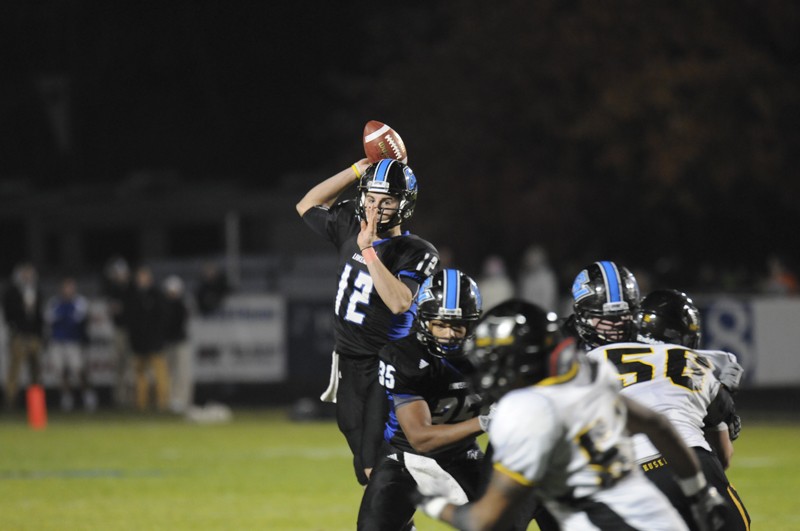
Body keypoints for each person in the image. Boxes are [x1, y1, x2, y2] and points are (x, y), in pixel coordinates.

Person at [417, 300, 728, 531]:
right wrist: (698, 493)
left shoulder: (521, 412)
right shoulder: (589, 376)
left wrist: (428, 502)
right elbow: (657, 425)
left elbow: (485, 520)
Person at [296, 157, 440, 485]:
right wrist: (356, 170)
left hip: (386, 364)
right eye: (371, 198)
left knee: (378, 465)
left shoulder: (415, 250)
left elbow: (400, 301)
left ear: (405, 204)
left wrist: (370, 251)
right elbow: (308, 204)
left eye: (386, 200)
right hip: (348, 359)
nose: (375, 209)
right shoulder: (350, 222)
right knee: (364, 464)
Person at [599, 288, 749, 529]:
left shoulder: (596, 357)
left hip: (630, 475)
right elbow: (723, 453)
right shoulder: (699, 361)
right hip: (692, 458)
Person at [358, 269, 488, 530]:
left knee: (501, 523)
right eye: (440, 324)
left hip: (462, 455)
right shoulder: (404, 356)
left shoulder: (488, 357)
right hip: (404, 457)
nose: (448, 334)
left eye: (457, 326)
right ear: (423, 321)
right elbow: (420, 437)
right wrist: (486, 422)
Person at [562, 260, 641, 351]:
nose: (619, 323)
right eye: (610, 318)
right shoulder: (564, 340)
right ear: (584, 316)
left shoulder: (643, 335)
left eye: (624, 315)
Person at [44, 276, 97, 412]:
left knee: (78, 370)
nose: (68, 290)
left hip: (73, 341)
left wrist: (64, 318)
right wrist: (65, 318)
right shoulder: (54, 302)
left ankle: (87, 394)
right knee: (60, 371)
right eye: (66, 287)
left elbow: (78, 320)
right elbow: (49, 318)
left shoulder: (80, 302)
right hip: (57, 341)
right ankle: (66, 396)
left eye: (70, 287)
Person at [2, 263, 45, 409]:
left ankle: (36, 405)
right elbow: (9, 313)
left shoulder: (36, 290)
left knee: (36, 371)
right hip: (19, 335)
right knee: (15, 370)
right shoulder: (12, 291)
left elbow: (39, 316)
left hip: (33, 336)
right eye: (25, 273)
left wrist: (40, 335)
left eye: (30, 273)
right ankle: (11, 401)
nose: (28, 276)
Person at [126, 265, 169, 412]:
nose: (140, 280)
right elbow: (131, 320)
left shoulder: (156, 295)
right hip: (139, 342)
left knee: (159, 374)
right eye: (139, 277)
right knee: (139, 375)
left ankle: (162, 403)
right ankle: (141, 404)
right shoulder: (133, 295)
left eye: (143, 277)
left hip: (155, 341)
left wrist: (158, 336)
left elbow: (162, 318)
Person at [101, 256, 133, 408]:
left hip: (131, 331)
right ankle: (119, 397)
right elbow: (110, 308)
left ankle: (131, 397)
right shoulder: (112, 289)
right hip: (118, 330)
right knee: (119, 365)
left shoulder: (132, 288)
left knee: (130, 366)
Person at [162, 275, 193, 414]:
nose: (172, 293)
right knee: (169, 373)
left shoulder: (182, 305)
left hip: (180, 342)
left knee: (182, 372)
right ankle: (170, 400)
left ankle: (183, 400)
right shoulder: (164, 305)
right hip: (168, 342)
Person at [517, 244, 558, 313]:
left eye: (533, 257)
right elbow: (522, 296)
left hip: (542, 314)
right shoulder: (526, 277)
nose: (530, 260)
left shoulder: (547, 277)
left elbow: (548, 300)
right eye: (528, 257)